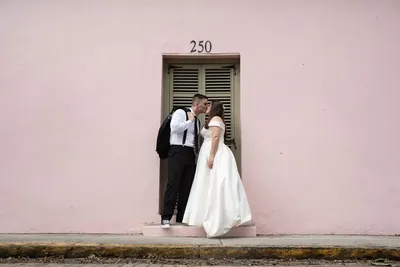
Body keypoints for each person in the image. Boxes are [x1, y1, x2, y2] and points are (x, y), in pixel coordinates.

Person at [182, 100, 252, 237]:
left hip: (215, 152)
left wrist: (212, 156)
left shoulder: (216, 119)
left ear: (214, 108)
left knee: (215, 184)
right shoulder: (213, 119)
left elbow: (215, 137)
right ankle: (204, 214)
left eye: (209, 105)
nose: (206, 107)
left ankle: (217, 218)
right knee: (207, 183)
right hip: (208, 152)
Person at [161, 94, 209, 228]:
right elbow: (174, 128)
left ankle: (182, 217)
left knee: (186, 186)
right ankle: (166, 217)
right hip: (177, 151)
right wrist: (189, 121)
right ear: (196, 104)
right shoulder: (180, 112)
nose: (206, 106)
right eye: (205, 104)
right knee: (173, 183)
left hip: (190, 154)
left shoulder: (198, 121)